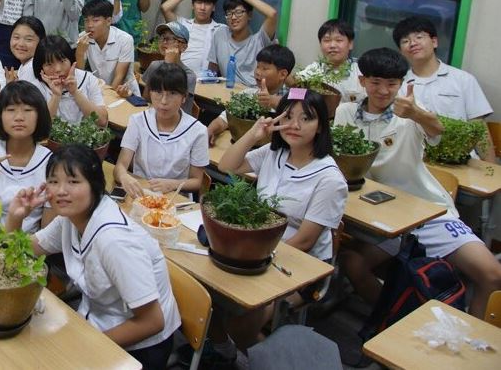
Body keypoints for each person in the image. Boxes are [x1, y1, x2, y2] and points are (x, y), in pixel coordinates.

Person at [334, 48, 501, 319]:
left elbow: (437, 131)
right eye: (376, 82)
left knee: (491, 275)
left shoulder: (410, 110)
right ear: (363, 81)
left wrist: (417, 114)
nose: (384, 90)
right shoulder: (346, 112)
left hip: (426, 212)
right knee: (353, 262)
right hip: (379, 215)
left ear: (401, 83)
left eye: (392, 83)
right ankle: (395, 322)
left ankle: (473, 342)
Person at [6, 145, 181, 368]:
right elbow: (23, 250)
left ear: (95, 186)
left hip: (139, 347)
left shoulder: (115, 241)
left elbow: (152, 322)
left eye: (73, 181)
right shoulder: (71, 218)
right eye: (53, 181)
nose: (61, 190)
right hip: (95, 321)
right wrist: (15, 216)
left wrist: (86, 347)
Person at [217, 89, 347, 352]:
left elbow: (306, 240)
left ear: (321, 125)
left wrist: (254, 256)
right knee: (214, 293)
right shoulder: (274, 153)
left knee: (249, 312)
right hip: (258, 249)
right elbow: (226, 166)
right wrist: (253, 134)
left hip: (302, 266)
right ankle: (230, 347)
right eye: (288, 116)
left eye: (306, 118)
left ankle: (248, 352)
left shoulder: (329, 179)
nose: (294, 125)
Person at [393, 15, 494, 160]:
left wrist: (491, 171)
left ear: (434, 42)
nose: (412, 43)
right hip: (417, 160)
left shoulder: (463, 79)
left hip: (461, 159)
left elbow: (479, 129)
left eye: (419, 37)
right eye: (405, 41)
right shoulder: (399, 85)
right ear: (401, 51)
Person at [0, 81, 54, 232]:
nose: (19, 117)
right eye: (11, 109)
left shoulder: (51, 163)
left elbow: (47, 232)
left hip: (28, 247)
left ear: (40, 116)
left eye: (28, 110)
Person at [115, 64, 208, 198]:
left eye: (172, 93)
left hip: (175, 196)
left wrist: (172, 184)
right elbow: (120, 166)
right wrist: (124, 177)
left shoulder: (198, 131)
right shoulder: (138, 121)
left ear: (184, 97)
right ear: (150, 93)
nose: (164, 101)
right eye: (158, 92)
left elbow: (197, 181)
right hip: (141, 192)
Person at [207, 45, 294, 146]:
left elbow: (294, 106)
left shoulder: (295, 97)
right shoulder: (248, 94)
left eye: (265, 68)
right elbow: (223, 120)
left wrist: (270, 100)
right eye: (257, 66)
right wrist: (211, 130)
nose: (257, 72)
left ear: (283, 74)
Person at [207, 0, 278, 87]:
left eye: (239, 12)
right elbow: (212, 68)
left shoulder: (259, 40)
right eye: (229, 13)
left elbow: (272, 14)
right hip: (226, 92)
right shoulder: (220, 34)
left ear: (249, 15)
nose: (233, 17)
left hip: (252, 93)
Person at [33, 36, 108, 127]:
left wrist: (75, 92)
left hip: (86, 140)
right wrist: (56, 96)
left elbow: (102, 121)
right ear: (41, 68)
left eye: (62, 61)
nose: (58, 69)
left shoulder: (88, 79)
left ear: (71, 60)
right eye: (49, 64)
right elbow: (40, 128)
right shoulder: (36, 87)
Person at [76, 0, 139, 97]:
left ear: (108, 21)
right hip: (100, 90)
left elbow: (120, 76)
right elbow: (79, 74)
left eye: (95, 20)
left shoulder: (125, 39)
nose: (89, 25)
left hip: (124, 93)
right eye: (86, 20)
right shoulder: (83, 38)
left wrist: (106, 98)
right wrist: (80, 53)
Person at [159, 0, 224, 74]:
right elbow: (165, 8)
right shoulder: (182, 24)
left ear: (213, 7)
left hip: (203, 80)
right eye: (199, 2)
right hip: (178, 75)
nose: (202, 8)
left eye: (207, 3)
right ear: (192, 6)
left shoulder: (220, 29)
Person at [293, 18, 364, 104]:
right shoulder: (313, 70)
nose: (332, 45)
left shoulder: (361, 70)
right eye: (327, 40)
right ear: (320, 45)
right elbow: (294, 97)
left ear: (350, 44)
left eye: (339, 40)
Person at [139, 21, 197, 116]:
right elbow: (146, 100)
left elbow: (175, 110)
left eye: (170, 39)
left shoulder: (189, 76)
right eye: (162, 37)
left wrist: (168, 64)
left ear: (183, 47)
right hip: (152, 117)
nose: (164, 42)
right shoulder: (154, 66)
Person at [5, 15, 46, 86]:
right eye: (16, 37)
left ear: (41, 41)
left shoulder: (31, 67)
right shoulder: (27, 64)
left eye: (28, 39)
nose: (21, 44)